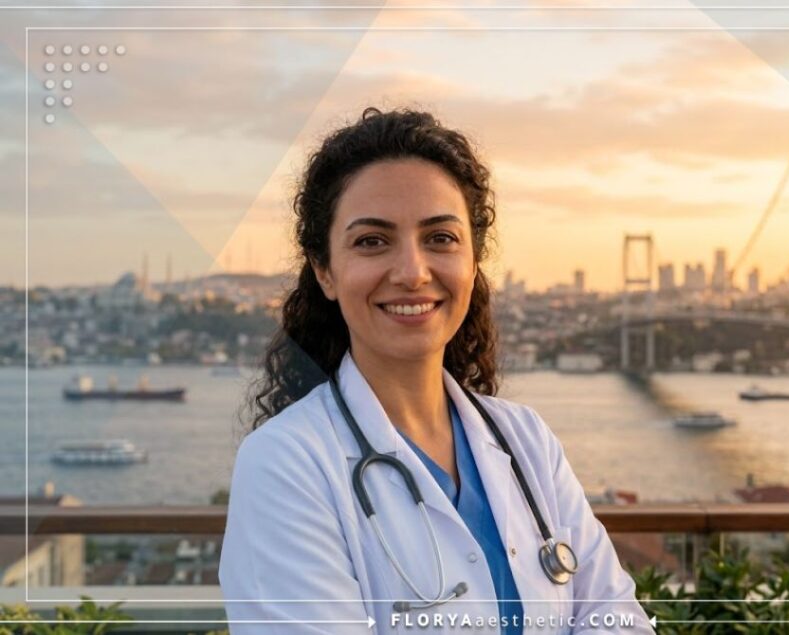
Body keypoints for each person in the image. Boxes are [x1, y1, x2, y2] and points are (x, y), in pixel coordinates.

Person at [219, 107, 654, 634]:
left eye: (440, 238)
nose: (411, 272)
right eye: (372, 241)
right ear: (325, 271)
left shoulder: (525, 440)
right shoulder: (286, 464)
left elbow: (617, 619)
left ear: (473, 261)